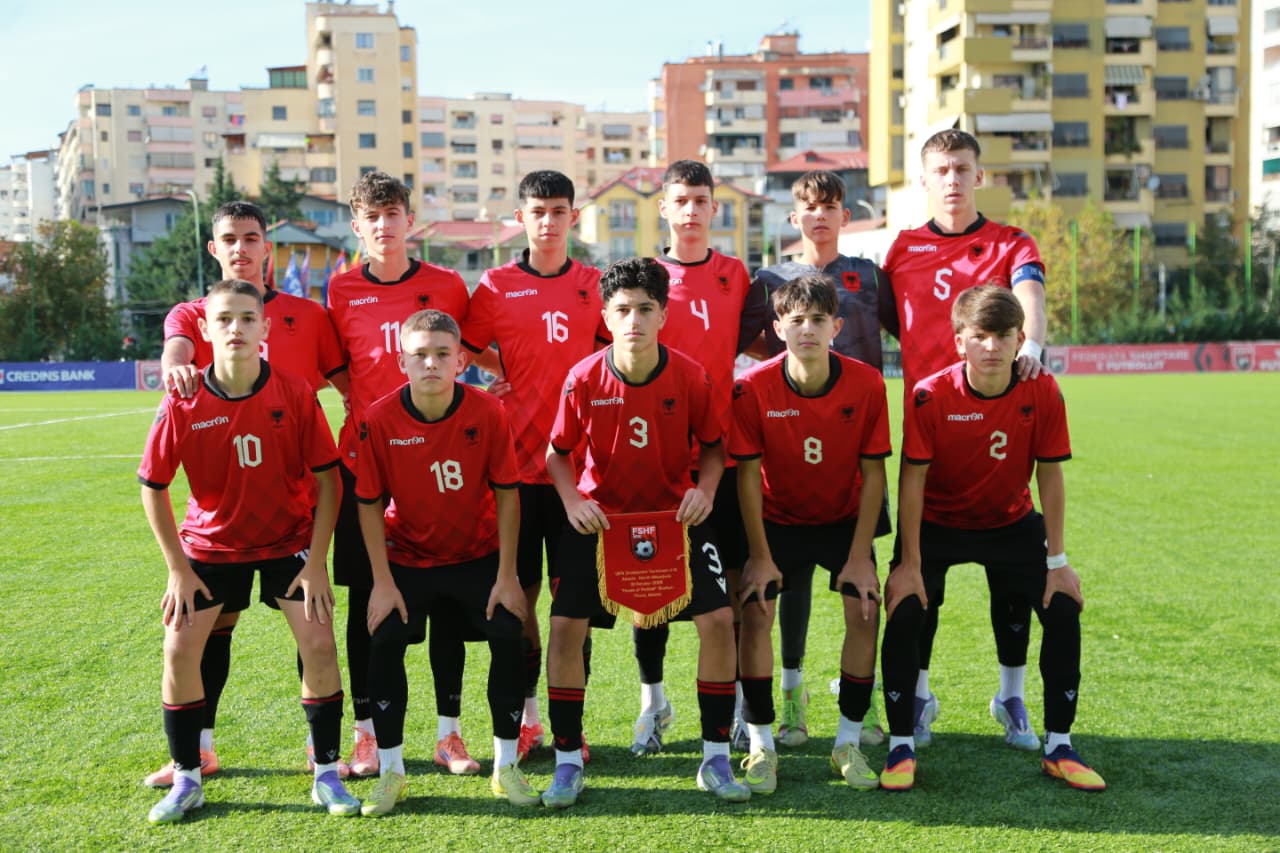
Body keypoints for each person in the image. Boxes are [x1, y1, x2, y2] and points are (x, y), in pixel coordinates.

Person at [145, 200, 350, 787]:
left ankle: (324, 760)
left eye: (251, 237)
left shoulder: (307, 320)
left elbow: (347, 383)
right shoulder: (193, 316)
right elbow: (177, 350)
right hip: (216, 529)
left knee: (313, 635)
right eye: (229, 238)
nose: (241, 246)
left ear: (268, 247)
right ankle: (195, 758)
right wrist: (177, 366)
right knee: (204, 636)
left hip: (290, 516)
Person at [541, 257, 750, 808]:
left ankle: (714, 758)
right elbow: (557, 455)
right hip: (602, 520)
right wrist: (571, 500)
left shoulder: (689, 375)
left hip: (674, 520)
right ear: (606, 316)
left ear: (662, 315)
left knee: (719, 621)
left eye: (645, 309)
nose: (633, 319)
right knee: (564, 629)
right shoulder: (583, 377)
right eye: (622, 310)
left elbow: (713, 447)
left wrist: (704, 490)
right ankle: (566, 762)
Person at [878, 285, 1104, 792]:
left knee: (1064, 604)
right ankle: (900, 747)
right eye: (980, 336)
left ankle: (1059, 745)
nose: (992, 347)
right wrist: (909, 562)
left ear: (1020, 338)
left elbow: (1051, 474)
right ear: (959, 341)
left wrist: (1058, 558)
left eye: (1003, 336)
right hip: (938, 522)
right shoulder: (930, 394)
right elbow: (911, 481)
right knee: (907, 606)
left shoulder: (1042, 389)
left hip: (1010, 521)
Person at [880, 129, 1049, 749]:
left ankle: (1011, 698)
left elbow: (1030, 291)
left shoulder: (1010, 243)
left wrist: (1031, 342)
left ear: (980, 176)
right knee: (919, 579)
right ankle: (919, 698)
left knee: (1012, 583)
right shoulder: (900, 251)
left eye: (962, 168)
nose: (952, 178)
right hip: (929, 442)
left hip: (1002, 440)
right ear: (923, 180)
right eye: (940, 169)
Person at [355, 309, 537, 815]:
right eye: (419, 354)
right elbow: (368, 503)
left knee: (508, 631)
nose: (430, 363)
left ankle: (505, 767)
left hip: (476, 556)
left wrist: (508, 576)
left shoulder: (486, 412)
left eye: (442, 354)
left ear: (461, 360)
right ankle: (392, 773)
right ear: (401, 361)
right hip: (408, 558)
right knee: (385, 637)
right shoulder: (379, 418)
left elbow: (507, 495)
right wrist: (382, 582)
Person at [327, 171, 472, 778]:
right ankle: (365, 733)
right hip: (367, 468)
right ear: (357, 228)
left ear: (410, 221)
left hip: (439, 467)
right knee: (369, 604)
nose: (385, 226)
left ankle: (449, 734)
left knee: (444, 603)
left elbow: (473, 355)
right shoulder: (338, 291)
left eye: (394, 214)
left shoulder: (447, 285)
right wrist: (367, 414)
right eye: (372, 218)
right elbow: (339, 370)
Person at [461, 170, 606, 763]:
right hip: (515, 476)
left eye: (558, 211)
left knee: (575, 610)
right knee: (518, 601)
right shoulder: (494, 285)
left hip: (580, 476)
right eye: (537, 211)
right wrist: (502, 365)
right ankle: (528, 718)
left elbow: (614, 349)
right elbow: (466, 344)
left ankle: (573, 722)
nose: (548, 221)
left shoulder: (594, 283)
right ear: (519, 218)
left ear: (574, 217)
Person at [732, 275, 891, 794]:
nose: (807, 329)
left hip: (843, 519)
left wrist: (861, 556)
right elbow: (748, 477)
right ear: (778, 328)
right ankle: (761, 743)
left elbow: (874, 476)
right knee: (755, 611)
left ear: (836, 327)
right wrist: (758, 554)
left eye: (818, 320)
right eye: (795, 320)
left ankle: (846, 740)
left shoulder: (867, 383)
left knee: (865, 607)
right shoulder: (752, 386)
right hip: (777, 520)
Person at [748, 169, 889, 749]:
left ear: (844, 215)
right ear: (794, 218)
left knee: (860, 582)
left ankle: (867, 700)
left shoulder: (869, 273)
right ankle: (791, 693)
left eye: (831, 205)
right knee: (790, 586)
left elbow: (913, 330)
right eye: (810, 207)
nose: (820, 216)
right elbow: (751, 339)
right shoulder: (772, 277)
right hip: (788, 437)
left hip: (855, 436)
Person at [632, 159, 768, 755]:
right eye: (679, 200)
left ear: (715, 209)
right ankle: (652, 704)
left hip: (724, 456)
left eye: (700, 200)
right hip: (654, 461)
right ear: (663, 208)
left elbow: (757, 342)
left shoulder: (737, 275)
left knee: (736, 585)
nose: (690, 210)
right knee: (648, 590)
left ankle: (739, 703)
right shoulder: (642, 278)